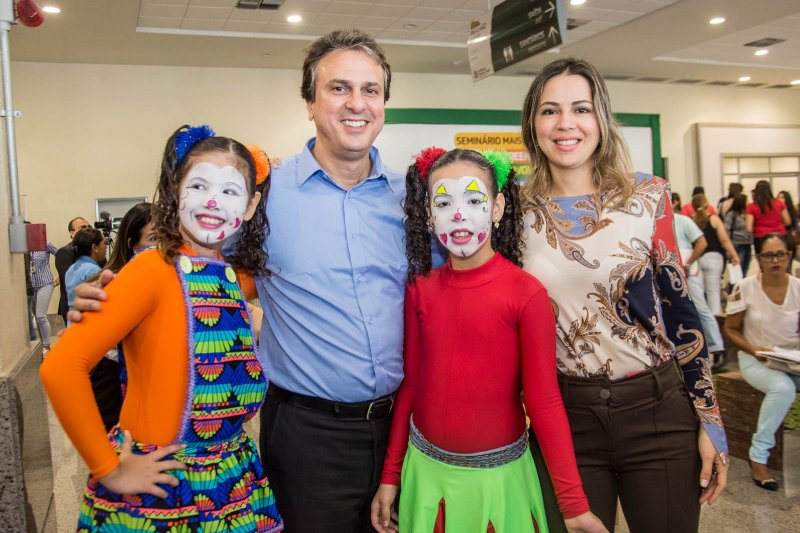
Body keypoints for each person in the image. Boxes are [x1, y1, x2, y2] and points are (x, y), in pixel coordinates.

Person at [519, 57, 729, 532]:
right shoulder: (513, 208)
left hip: (657, 411)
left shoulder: (647, 195)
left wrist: (710, 419)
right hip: (563, 418)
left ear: (602, 119)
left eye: (581, 109)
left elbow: (680, 311)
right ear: (532, 123)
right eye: (550, 110)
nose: (566, 123)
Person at [40, 125, 282, 532]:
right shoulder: (151, 269)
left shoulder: (229, 276)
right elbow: (61, 366)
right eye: (200, 185)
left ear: (251, 205)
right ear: (175, 192)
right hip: (162, 485)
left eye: (230, 191)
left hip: (232, 480)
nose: (212, 202)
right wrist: (110, 468)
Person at [371, 148, 606, 533]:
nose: (458, 214)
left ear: (497, 208)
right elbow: (411, 385)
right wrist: (391, 474)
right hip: (427, 477)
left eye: (474, 200)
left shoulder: (526, 294)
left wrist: (574, 504)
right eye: (443, 202)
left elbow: (544, 402)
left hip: (500, 481)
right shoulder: (420, 290)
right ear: (429, 214)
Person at [723, 233, 800, 492]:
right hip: (757, 360)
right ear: (758, 258)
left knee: (787, 382)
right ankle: (758, 456)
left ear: (790, 256)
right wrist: (753, 349)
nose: (776, 260)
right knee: (783, 388)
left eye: (781, 254)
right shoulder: (745, 287)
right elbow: (731, 330)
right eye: (769, 255)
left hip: (792, 360)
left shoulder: (798, 288)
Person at [86, 202, 156, 431]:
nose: (164, 247)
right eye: (154, 238)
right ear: (132, 245)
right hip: (113, 380)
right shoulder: (110, 283)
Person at [671, 195, 727, 370]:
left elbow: (702, 243)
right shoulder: (653, 222)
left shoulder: (683, 221)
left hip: (689, 273)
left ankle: (716, 348)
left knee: (701, 309)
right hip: (669, 273)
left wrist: (687, 264)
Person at [691, 193, 740, 315]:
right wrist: (734, 255)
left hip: (697, 260)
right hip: (714, 258)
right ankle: (716, 321)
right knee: (713, 293)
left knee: (700, 294)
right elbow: (724, 240)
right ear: (707, 204)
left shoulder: (691, 220)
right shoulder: (714, 219)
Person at [64, 228, 107, 320]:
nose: (106, 246)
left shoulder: (71, 269)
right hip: (87, 318)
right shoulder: (93, 271)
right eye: (104, 243)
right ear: (94, 247)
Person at [55, 216, 91, 323]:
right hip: (73, 307)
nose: (87, 229)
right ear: (71, 233)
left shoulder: (95, 251)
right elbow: (71, 280)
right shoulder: (64, 252)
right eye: (82, 227)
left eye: (89, 227)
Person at [29, 239, 59, 352]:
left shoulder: (45, 243)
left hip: (45, 283)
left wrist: (60, 276)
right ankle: (42, 346)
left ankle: (46, 346)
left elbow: (60, 255)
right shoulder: (22, 246)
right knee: (36, 317)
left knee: (41, 316)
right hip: (30, 285)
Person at [746, 180, 790, 254]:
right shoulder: (779, 203)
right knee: (780, 260)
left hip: (761, 238)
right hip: (779, 236)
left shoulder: (751, 206)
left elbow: (748, 228)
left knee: (764, 261)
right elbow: (787, 221)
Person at [723, 193, 753, 276]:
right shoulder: (732, 214)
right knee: (737, 271)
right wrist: (728, 249)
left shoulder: (747, 214)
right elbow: (726, 230)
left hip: (747, 244)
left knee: (745, 269)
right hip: (737, 245)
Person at [777, 190, 799, 264]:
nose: (780, 199)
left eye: (782, 197)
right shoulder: (775, 210)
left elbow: (794, 225)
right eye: (779, 197)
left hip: (789, 237)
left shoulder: (792, 211)